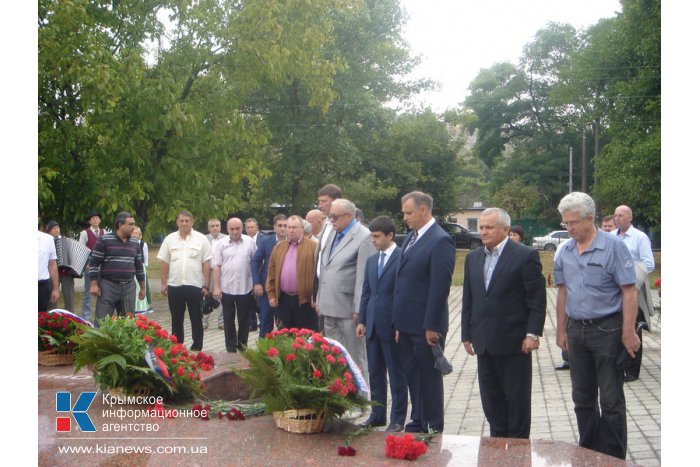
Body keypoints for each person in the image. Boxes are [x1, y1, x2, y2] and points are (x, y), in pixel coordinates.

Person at [554, 192, 639, 460]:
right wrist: (560, 331)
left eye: (574, 222)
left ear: (590, 218)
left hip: (608, 331)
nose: (569, 228)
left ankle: (613, 458)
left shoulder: (614, 247)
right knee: (582, 397)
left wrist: (628, 333)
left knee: (611, 400)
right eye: (566, 223)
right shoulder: (565, 251)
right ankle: (589, 453)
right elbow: (562, 292)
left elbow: (629, 291)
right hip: (576, 332)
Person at [461, 208, 546, 438]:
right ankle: (497, 448)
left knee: (516, 402)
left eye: (489, 227)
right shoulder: (473, 258)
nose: (484, 232)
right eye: (481, 227)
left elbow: (536, 299)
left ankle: (518, 451)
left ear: (506, 229)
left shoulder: (525, 255)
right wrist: (466, 334)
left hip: (514, 342)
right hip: (484, 342)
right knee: (492, 400)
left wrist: (532, 334)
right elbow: (469, 298)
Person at [392, 191, 455, 433]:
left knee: (429, 377)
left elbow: (440, 288)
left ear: (423, 210)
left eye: (408, 212)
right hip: (406, 324)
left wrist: (431, 326)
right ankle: (418, 419)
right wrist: (397, 323)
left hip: (426, 325)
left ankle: (434, 425)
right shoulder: (410, 238)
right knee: (412, 374)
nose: (405, 217)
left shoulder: (440, 240)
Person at [356, 216, 407, 432]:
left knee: (396, 373)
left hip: (391, 326)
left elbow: (401, 294)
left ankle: (397, 418)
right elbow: (367, 292)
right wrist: (362, 320)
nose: (373, 241)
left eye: (377, 237)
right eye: (372, 236)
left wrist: (399, 324)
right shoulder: (371, 261)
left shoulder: (401, 257)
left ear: (390, 236)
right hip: (372, 325)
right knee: (375, 373)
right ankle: (377, 414)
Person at [317, 199, 374, 379]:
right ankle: (341, 396)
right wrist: (319, 298)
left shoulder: (364, 236)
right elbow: (324, 268)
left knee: (355, 357)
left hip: (349, 309)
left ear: (350, 216)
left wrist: (359, 308)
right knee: (334, 357)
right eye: (329, 217)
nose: (331, 221)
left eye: (334, 217)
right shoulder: (333, 232)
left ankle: (362, 400)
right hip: (328, 305)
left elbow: (364, 276)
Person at [158, 210, 213, 351]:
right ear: (177, 222)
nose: (184, 223)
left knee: (196, 317)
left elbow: (206, 263)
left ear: (192, 222)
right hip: (175, 285)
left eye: (187, 221)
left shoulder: (201, 239)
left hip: (194, 285)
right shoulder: (169, 239)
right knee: (176, 318)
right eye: (181, 221)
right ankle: (177, 346)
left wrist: (206, 285)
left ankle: (197, 346)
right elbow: (164, 262)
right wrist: (163, 283)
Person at [614, 204, 656, 382]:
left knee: (633, 326)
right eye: (616, 215)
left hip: (633, 288)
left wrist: (631, 277)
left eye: (621, 215)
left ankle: (632, 369)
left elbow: (649, 263)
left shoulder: (639, 237)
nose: (618, 218)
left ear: (630, 218)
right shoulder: (610, 237)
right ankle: (618, 365)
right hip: (614, 289)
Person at [88, 212, 146, 323]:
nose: (133, 227)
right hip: (108, 287)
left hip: (129, 287)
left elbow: (139, 267)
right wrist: (94, 284)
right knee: (102, 322)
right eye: (130, 224)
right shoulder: (104, 240)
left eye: (134, 224)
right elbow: (94, 263)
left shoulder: (135, 243)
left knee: (128, 324)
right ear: (120, 225)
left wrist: (143, 288)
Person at [265, 215, 318, 330]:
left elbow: (319, 275)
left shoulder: (313, 247)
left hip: (305, 301)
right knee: (285, 338)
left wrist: (316, 296)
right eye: (288, 227)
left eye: (294, 227)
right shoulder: (279, 247)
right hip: (283, 300)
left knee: (305, 338)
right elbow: (271, 272)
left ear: (302, 228)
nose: (290, 230)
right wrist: (271, 295)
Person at [212, 218, 257, 352]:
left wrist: (256, 284)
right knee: (228, 320)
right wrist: (216, 287)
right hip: (227, 288)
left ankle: (243, 345)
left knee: (244, 319)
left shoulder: (250, 243)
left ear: (242, 228)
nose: (235, 231)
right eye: (232, 229)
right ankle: (230, 348)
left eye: (237, 228)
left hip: (245, 287)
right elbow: (216, 266)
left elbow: (256, 264)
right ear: (227, 229)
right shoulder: (221, 244)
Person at [251, 214, 287, 337]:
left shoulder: (292, 242)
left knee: (284, 323)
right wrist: (256, 282)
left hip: (286, 290)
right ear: (274, 227)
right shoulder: (266, 241)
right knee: (265, 321)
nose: (283, 228)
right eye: (280, 226)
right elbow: (255, 261)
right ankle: (263, 350)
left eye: (285, 226)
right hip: (267, 288)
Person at [78, 210, 105, 321]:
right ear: (89, 221)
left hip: (103, 266)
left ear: (100, 220)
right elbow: (81, 249)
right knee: (88, 293)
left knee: (103, 292)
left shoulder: (104, 232)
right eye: (93, 218)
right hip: (90, 266)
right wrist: (86, 264)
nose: (95, 220)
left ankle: (102, 317)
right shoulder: (85, 233)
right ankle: (86, 318)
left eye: (97, 218)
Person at [46, 221, 75, 312]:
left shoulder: (66, 240)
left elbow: (72, 253)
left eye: (58, 228)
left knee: (69, 296)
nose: (56, 230)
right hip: (53, 273)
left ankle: (71, 317)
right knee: (52, 297)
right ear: (49, 231)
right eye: (54, 228)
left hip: (66, 272)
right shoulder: (46, 241)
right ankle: (51, 316)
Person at [203, 218, 225, 331]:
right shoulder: (203, 239)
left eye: (217, 225)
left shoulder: (226, 239)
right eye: (212, 226)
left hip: (222, 272)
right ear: (208, 228)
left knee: (222, 296)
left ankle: (222, 322)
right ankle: (203, 321)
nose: (215, 228)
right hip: (207, 271)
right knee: (205, 296)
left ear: (220, 226)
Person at [244, 218, 263, 332]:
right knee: (249, 300)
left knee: (260, 300)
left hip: (260, 273)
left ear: (257, 227)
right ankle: (252, 323)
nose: (250, 229)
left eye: (252, 227)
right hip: (247, 274)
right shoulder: (243, 239)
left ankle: (263, 321)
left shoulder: (263, 239)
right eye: (248, 227)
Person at [38, 229, 60, 312]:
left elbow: (52, 264)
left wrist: (55, 289)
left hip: (41, 287)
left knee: (40, 319)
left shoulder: (47, 239)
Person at [131, 227, 152, 313]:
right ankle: (133, 306)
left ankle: (142, 306)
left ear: (139, 235)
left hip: (140, 267)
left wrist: (144, 268)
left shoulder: (143, 244)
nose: (134, 235)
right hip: (131, 267)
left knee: (140, 286)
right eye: (133, 233)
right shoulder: (129, 243)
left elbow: (146, 258)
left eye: (136, 233)